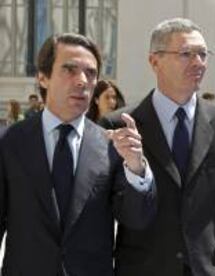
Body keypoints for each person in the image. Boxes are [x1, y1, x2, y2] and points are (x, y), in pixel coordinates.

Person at [100, 18, 215, 276]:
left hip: (209, 269)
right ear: (154, 61)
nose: (198, 62)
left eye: (203, 54)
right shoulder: (120, 126)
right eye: (186, 54)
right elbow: (107, 214)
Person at [0, 33, 156, 276]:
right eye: (69, 70)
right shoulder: (10, 142)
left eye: (91, 73)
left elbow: (137, 219)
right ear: (42, 77)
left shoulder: (110, 144)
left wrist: (136, 167)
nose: (82, 81)